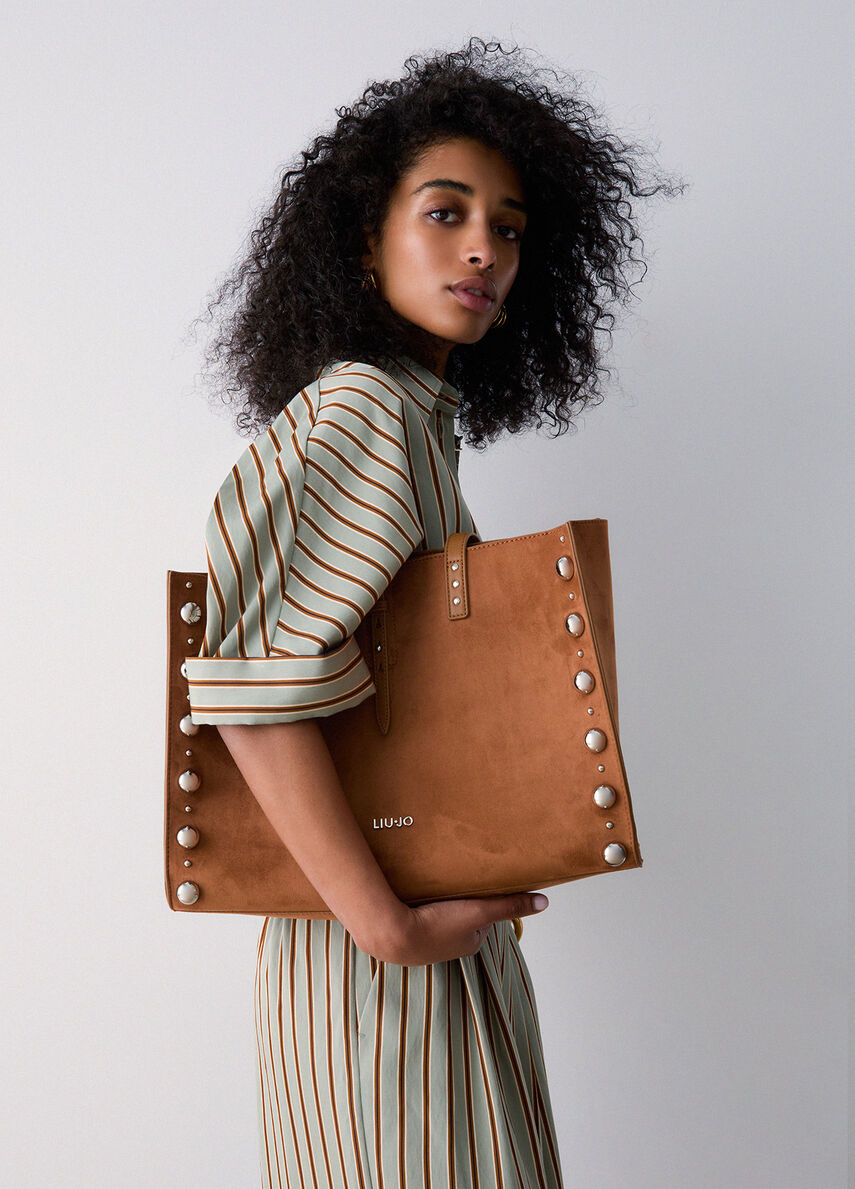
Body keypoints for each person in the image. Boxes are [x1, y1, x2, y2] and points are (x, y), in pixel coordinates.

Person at [186, 36, 680, 1189]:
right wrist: (389, 928)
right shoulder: (367, 411)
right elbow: (249, 688)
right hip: (381, 964)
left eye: (509, 227)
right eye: (446, 213)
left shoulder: (415, 423)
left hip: (404, 942)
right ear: (365, 241)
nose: (483, 249)